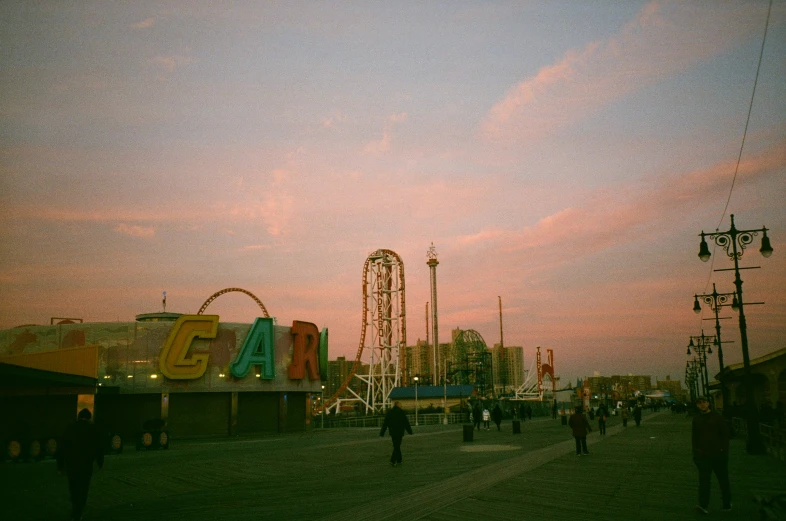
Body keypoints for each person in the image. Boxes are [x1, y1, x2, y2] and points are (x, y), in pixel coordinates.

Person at [57, 408, 104, 521]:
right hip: (86, 464)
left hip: (72, 463)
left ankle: (74, 509)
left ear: (78, 417)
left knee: (73, 487)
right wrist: (100, 462)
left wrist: (60, 466)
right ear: (89, 418)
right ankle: (79, 511)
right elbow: (98, 447)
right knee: (83, 488)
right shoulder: (92, 429)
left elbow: (61, 448)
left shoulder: (70, 428)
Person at [692, 396, 731, 514]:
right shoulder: (696, 419)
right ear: (697, 406)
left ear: (708, 403)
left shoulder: (717, 417)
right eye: (699, 403)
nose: (702, 405)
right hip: (703, 455)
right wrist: (696, 454)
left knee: (723, 480)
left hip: (718, 454)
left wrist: (724, 452)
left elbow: (725, 436)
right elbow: (694, 438)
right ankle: (703, 505)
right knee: (704, 481)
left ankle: (727, 503)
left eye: (704, 402)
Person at [379, 401, 413, 467]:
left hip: (392, 432)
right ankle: (393, 460)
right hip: (399, 432)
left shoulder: (390, 412)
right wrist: (410, 431)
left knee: (396, 445)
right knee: (397, 446)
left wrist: (382, 433)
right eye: (400, 405)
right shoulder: (401, 412)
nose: (401, 406)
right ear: (398, 405)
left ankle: (399, 460)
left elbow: (385, 423)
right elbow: (406, 423)